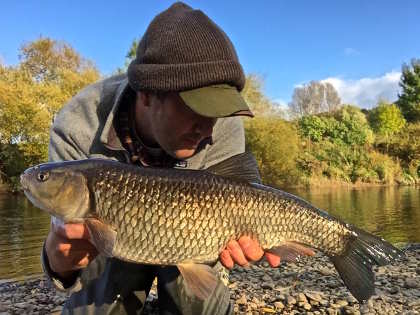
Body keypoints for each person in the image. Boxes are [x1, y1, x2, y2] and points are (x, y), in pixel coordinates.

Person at [42, 2, 281, 314]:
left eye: (217, 111)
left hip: (194, 238)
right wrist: (58, 262)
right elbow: (66, 242)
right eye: (198, 107)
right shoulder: (77, 125)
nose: (209, 128)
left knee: (200, 298)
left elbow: (241, 194)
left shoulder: (222, 126)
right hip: (114, 244)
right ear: (147, 94)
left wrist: (243, 239)